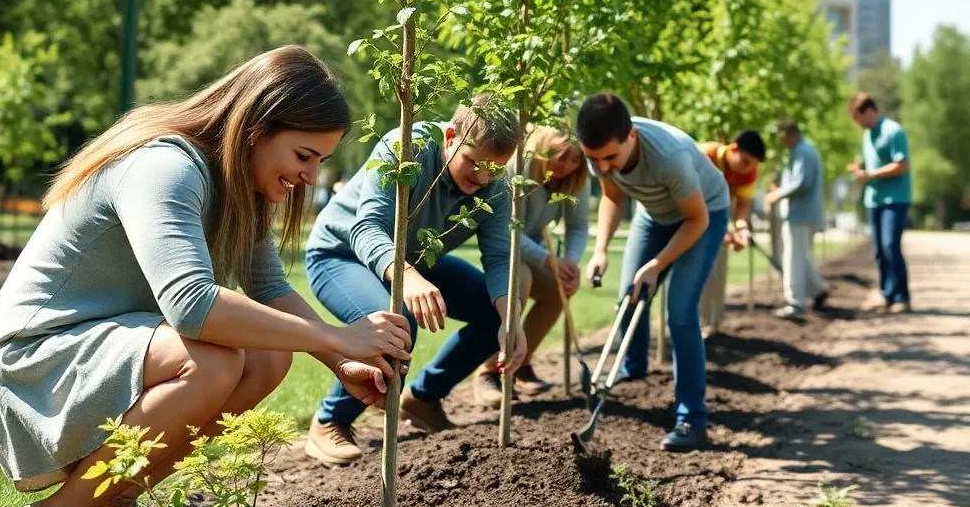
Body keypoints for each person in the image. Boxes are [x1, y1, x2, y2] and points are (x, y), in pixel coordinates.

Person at [0, 47, 411, 507]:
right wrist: (339, 337)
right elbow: (191, 305)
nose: (310, 176)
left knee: (267, 359)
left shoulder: (236, 190)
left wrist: (339, 361)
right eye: (304, 154)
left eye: (319, 160)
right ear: (255, 127)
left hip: (97, 348)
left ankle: (113, 493)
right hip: (33, 359)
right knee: (215, 360)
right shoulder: (166, 166)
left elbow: (270, 287)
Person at [304, 94, 527, 465]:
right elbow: (367, 229)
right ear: (452, 135)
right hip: (340, 255)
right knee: (396, 324)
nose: (482, 178)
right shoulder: (406, 147)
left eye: (494, 167)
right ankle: (330, 421)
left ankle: (423, 400)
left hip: (417, 260)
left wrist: (510, 318)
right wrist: (408, 278)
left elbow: (501, 257)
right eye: (474, 163)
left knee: (494, 316)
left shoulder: (497, 185)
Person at [576, 94, 729, 452]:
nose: (603, 166)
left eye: (610, 157)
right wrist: (600, 250)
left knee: (680, 314)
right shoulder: (601, 157)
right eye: (594, 159)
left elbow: (697, 219)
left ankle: (692, 417)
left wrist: (657, 265)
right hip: (654, 214)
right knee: (627, 299)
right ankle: (633, 369)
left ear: (631, 137)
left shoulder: (668, 158)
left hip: (702, 214)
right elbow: (613, 196)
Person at [473, 125, 590, 408]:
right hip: (505, 252)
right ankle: (488, 371)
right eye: (561, 157)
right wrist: (549, 260)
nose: (568, 166)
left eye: (575, 160)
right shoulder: (515, 170)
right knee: (520, 280)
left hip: (537, 253)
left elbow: (579, 225)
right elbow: (505, 229)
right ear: (542, 149)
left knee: (560, 290)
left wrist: (569, 263)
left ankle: (522, 364)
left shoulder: (574, 180)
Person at [847, 93, 912, 313]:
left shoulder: (893, 131)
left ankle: (901, 296)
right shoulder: (868, 135)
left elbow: (902, 165)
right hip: (873, 200)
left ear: (868, 111)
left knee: (890, 246)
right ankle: (886, 295)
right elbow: (870, 162)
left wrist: (871, 175)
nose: (858, 125)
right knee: (878, 250)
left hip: (895, 198)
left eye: (858, 119)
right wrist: (860, 169)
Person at [698, 130, 767, 335]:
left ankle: (714, 323)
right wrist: (718, 230)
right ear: (733, 149)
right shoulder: (703, 156)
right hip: (692, 219)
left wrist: (742, 229)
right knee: (697, 274)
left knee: (718, 271)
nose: (749, 169)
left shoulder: (750, 171)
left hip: (719, 222)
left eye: (753, 165)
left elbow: (743, 205)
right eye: (745, 162)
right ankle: (696, 325)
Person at [765, 118, 828, 320]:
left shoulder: (803, 152)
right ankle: (818, 290)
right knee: (801, 257)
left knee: (793, 259)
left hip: (801, 215)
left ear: (789, 134)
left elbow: (801, 184)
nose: (781, 142)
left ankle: (795, 302)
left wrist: (777, 194)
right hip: (801, 214)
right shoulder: (801, 151)